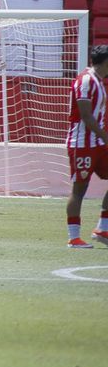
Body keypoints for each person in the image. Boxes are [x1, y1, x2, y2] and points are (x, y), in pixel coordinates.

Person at [64, 45, 108, 248]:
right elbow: (86, 116)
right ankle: (74, 237)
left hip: (97, 143)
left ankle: (102, 228)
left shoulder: (99, 81)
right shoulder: (86, 80)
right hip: (82, 144)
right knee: (79, 189)